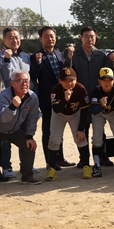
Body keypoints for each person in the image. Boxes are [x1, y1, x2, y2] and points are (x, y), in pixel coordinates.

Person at [0, 70, 42, 191]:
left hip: (13, 130)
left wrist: (29, 136)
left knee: (29, 146)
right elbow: (4, 118)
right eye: (20, 81)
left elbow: (32, 119)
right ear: (12, 83)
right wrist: (13, 106)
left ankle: (27, 176)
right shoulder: (3, 96)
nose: (24, 84)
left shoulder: (32, 97)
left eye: (26, 81)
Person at [63, 26, 110, 166]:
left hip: (97, 97)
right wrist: (69, 58)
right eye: (86, 36)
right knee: (82, 128)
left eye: (92, 36)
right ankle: (84, 159)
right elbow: (66, 72)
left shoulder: (101, 55)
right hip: (81, 98)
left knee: (99, 128)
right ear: (81, 38)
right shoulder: (74, 55)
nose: (90, 39)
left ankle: (102, 156)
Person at [30, 26, 73, 169]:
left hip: (61, 97)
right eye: (46, 36)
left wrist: (69, 58)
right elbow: (33, 76)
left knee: (59, 129)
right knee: (48, 130)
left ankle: (60, 158)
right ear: (40, 39)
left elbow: (65, 73)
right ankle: (50, 161)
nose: (50, 39)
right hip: (47, 98)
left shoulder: (59, 54)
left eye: (52, 36)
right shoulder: (36, 55)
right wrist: (38, 62)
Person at [0, 26, 32, 179]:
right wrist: (7, 59)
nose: (14, 40)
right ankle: (7, 166)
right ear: (4, 40)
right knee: (6, 136)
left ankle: (26, 164)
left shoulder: (25, 56)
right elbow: (5, 77)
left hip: (25, 100)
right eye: (10, 37)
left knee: (25, 132)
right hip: (9, 100)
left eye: (17, 37)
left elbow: (30, 78)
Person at [45, 67, 92, 181]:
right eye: (65, 80)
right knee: (54, 139)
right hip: (59, 115)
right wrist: (65, 100)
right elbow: (56, 109)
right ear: (60, 81)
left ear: (76, 79)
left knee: (80, 138)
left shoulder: (80, 88)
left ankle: (87, 166)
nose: (69, 83)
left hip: (75, 113)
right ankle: (52, 168)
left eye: (71, 80)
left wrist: (81, 129)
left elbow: (85, 110)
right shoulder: (56, 89)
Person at [89, 67, 114, 177]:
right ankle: (97, 165)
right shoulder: (96, 92)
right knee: (97, 138)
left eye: (110, 80)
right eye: (104, 80)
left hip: (112, 113)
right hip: (99, 113)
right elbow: (93, 110)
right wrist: (101, 105)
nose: (107, 83)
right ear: (99, 81)